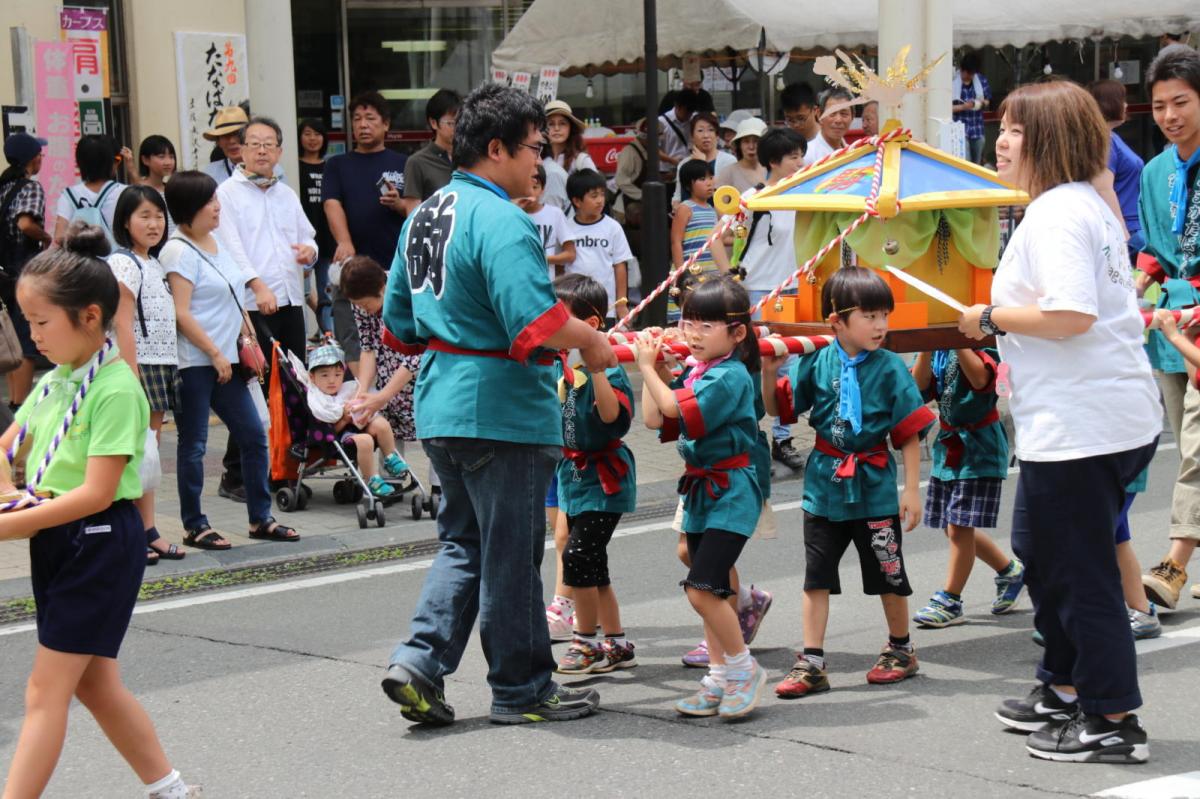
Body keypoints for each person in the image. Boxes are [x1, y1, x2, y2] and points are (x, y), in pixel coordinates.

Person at [379, 82, 615, 726]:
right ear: (495, 149)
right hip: (501, 408)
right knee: (510, 555)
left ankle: (419, 661)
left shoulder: (425, 214)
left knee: (465, 543)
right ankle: (521, 689)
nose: (539, 163)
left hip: (440, 401)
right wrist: (592, 339)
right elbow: (533, 323)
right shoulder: (503, 218)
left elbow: (398, 324)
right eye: (533, 149)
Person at [959, 80, 1160, 764]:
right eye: (1002, 125)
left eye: (1015, 128)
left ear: (1047, 139)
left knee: (1080, 573)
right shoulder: (1077, 204)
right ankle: (1064, 685)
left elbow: (1072, 315)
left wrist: (986, 318)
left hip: (1085, 425)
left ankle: (1109, 717)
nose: (1001, 139)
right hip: (1090, 417)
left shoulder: (1057, 215)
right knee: (1044, 556)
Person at [0, 224, 200, 799]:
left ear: (90, 317)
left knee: (44, 692)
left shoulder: (116, 389)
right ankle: (171, 789)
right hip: (61, 540)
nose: (31, 335)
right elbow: (8, 446)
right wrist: (11, 493)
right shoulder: (56, 381)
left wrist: (9, 520)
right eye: (27, 321)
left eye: (41, 323)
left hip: (99, 540)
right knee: (95, 684)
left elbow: (96, 493)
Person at [764, 267, 934, 698]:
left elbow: (909, 431)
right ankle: (812, 662)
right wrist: (768, 372)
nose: (880, 326)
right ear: (837, 321)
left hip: (875, 485)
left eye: (884, 316)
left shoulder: (890, 367)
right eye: (870, 316)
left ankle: (901, 649)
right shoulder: (817, 360)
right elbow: (780, 409)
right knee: (815, 577)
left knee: (887, 572)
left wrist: (911, 489)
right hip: (823, 486)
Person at [637, 276, 767, 720]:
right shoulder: (700, 371)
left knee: (702, 589)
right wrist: (652, 372)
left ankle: (743, 669)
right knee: (713, 589)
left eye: (706, 325)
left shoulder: (728, 376)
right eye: (687, 321)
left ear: (736, 333)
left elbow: (674, 409)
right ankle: (718, 676)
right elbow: (655, 415)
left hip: (731, 492)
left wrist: (645, 365)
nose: (692, 332)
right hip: (702, 493)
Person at [162, 170, 299, 551]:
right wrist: (215, 353)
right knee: (193, 445)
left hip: (230, 359)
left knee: (255, 435)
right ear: (189, 209)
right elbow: (182, 312)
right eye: (209, 202)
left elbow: (234, 293)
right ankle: (194, 525)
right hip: (197, 361)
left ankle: (261, 518)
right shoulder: (177, 251)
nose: (217, 206)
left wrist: (247, 334)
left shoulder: (216, 240)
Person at [213, 116, 316, 500]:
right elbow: (231, 248)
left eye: (268, 144)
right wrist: (256, 285)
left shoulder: (285, 193)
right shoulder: (228, 193)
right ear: (241, 148)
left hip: (289, 300)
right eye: (253, 143)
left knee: (292, 386)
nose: (261, 150)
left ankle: (280, 466)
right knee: (259, 389)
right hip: (252, 307)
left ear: (279, 151)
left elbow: (308, 236)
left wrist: (310, 251)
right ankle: (235, 474)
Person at [1135, 45, 1200, 610]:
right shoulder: (1156, 170)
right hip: (1167, 326)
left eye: (1181, 102)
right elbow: (1155, 248)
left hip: (1198, 324)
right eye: (1159, 105)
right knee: (1188, 447)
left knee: (1198, 451)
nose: (1169, 115)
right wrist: (1135, 280)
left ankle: (1173, 566)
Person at [551, 273, 638, 676]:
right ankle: (616, 642)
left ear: (591, 326)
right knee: (593, 562)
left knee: (578, 556)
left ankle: (585, 642)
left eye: (561, 317)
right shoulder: (561, 365)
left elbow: (611, 418)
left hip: (606, 479)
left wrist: (598, 368)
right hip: (574, 475)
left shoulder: (609, 365)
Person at [909, 348, 1024, 627]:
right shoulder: (936, 349)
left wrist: (958, 342)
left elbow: (981, 381)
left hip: (980, 447)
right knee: (953, 527)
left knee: (960, 527)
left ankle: (951, 599)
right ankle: (1010, 572)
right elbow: (918, 387)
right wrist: (927, 345)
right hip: (948, 443)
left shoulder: (983, 340)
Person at [107, 185, 185, 566]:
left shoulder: (151, 261)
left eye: (159, 216)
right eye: (144, 216)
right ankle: (131, 534)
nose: (154, 224)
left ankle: (148, 530)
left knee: (148, 453)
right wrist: (131, 378)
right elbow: (122, 323)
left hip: (160, 364)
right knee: (134, 452)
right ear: (125, 221)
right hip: (139, 367)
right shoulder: (124, 263)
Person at [322, 91, 408, 375]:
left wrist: (400, 204)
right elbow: (331, 203)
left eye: (370, 118)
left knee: (397, 333)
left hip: (394, 266)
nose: (363, 124)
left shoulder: (404, 163)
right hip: (353, 268)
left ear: (386, 124)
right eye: (357, 119)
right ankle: (365, 395)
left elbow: (419, 209)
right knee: (354, 337)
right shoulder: (338, 165)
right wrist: (344, 241)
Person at [740, 128, 808, 472]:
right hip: (756, 292)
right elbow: (723, 236)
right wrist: (733, 276)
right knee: (754, 365)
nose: (800, 162)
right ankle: (752, 435)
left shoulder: (807, 195)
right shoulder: (753, 198)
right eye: (793, 157)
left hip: (794, 289)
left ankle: (783, 438)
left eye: (801, 155)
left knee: (789, 368)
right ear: (773, 162)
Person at [336, 255, 419, 485]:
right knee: (387, 422)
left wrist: (382, 396)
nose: (362, 309)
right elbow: (368, 348)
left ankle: (438, 488)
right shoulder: (360, 302)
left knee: (431, 431)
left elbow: (416, 357)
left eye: (364, 304)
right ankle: (390, 480)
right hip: (386, 370)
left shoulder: (407, 295)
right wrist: (362, 390)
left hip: (417, 372)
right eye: (357, 305)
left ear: (382, 289)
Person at [306, 342, 409, 498]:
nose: (332, 381)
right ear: (312, 378)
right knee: (366, 440)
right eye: (325, 375)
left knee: (381, 423)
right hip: (336, 437)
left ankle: (390, 457)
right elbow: (324, 431)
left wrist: (362, 411)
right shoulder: (318, 401)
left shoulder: (346, 390)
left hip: (357, 427)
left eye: (337, 375)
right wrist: (345, 420)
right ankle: (372, 479)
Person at [0, 133, 51, 413]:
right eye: (40, 154)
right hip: (22, 272)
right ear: (33, 158)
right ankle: (20, 408)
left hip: (2, 274)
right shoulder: (30, 188)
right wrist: (45, 237)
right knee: (25, 343)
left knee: (8, 338)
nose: (42, 158)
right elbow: (24, 223)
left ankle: (11, 405)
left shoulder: (3, 186)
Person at [565, 168, 632, 323]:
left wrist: (621, 304)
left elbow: (620, 266)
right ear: (577, 201)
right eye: (594, 196)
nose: (600, 200)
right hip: (573, 304)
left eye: (602, 194)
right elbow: (561, 267)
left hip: (605, 305)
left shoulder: (613, 227)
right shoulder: (566, 228)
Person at [1088, 79, 1144, 259]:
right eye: (1122, 99)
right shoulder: (1104, 139)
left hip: (1132, 225)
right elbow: (1103, 187)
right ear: (1108, 103)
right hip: (1128, 228)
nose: (1126, 105)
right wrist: (1123, 233)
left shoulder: (1110, 137)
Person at [53, 134, 128, 245]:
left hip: (82, 260)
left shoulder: (69, 195)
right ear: (110, 163)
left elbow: (59, 237)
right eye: (117, 159)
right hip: (118, 260)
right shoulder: (125, 193)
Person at [297, 118, 335, 334]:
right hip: (302, 242)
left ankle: (327, 335)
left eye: (317, 134)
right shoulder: (295, 166)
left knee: (327, 291)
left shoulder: (331, 167)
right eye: (308, 133)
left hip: (327, 240)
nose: (312, 139)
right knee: (300, 291)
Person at [401, 89, 460, 215]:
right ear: (433, 123)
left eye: (460, 122)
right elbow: (412, 214)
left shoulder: (470, 158)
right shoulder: (417, 162)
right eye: (451, 123)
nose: (457, 128)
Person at [671, 160, 729, 281]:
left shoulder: (712, 209)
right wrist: (681, 274)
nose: (709, 183)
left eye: (711, 177)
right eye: (702, 179)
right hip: (692, 273)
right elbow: (676, 242)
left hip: (712, 272)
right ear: (688, 185)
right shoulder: (685, 208)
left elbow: (716, 239)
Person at [517, 163, 575, 280]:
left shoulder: (555, 214)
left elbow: (570, 254)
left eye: (535, 187)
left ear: (543, 189)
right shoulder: (512, 213)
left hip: (546, 282)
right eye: (525, 187)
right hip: (519, 280)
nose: (530, 193)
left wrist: (545, 259)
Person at [202, 106, 284, 185]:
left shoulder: (273, 170)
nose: (232, 141)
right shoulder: (210, 174)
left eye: (237, 134)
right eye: (225, 136)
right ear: (218, 142)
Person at [672, 112, 736, 203]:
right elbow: (678, 196)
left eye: (710, 130)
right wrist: (676, 207)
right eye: (700, 131)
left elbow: (726, 196)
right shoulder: (684, 164)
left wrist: (702, 164)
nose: (706, 135)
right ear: (692, 136)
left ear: (717, 135)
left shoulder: (729, 161)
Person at [613, 118, 649, 250]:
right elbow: (621, 180)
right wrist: (643, 195)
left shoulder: (647, 151)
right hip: (625, 207)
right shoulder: (630, 152)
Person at [953, 51, 992, 165]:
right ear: (961, 69)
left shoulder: (981, 80)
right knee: (966, 161)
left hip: (977, 129)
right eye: (966, 73)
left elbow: (987, 102)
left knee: (976, 163)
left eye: (971, 74)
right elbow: (946, 108)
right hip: (960, 130)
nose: (968, 76)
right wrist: (964, 107)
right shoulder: (953, 81)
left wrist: (978, 104)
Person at [136, 135, 177, 238]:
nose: (168, 162)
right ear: (145, 160)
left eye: (171, 157)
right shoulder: (139, 192)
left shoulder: (173, 190)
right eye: (161, 156)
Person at [543, 100, 597, 176]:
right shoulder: (537, 159)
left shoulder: (581, 161)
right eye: (551, 124)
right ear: (544, 128)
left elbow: (596, 187)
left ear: (571, 128)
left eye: (562, 123)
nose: (557, 128)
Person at [714, 117, 767, 195]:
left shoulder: (772, 170)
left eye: (756, 141)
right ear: (739, 145)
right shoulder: (728, 173)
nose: (751, 147)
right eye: (746, 141)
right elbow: (721, 205)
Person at [806, 88, 853, 166]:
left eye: (844, 113)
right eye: (832, 113)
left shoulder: (854, 152)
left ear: (852, 117)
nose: (838, 120)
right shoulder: (808, 155)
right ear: (819, 115)